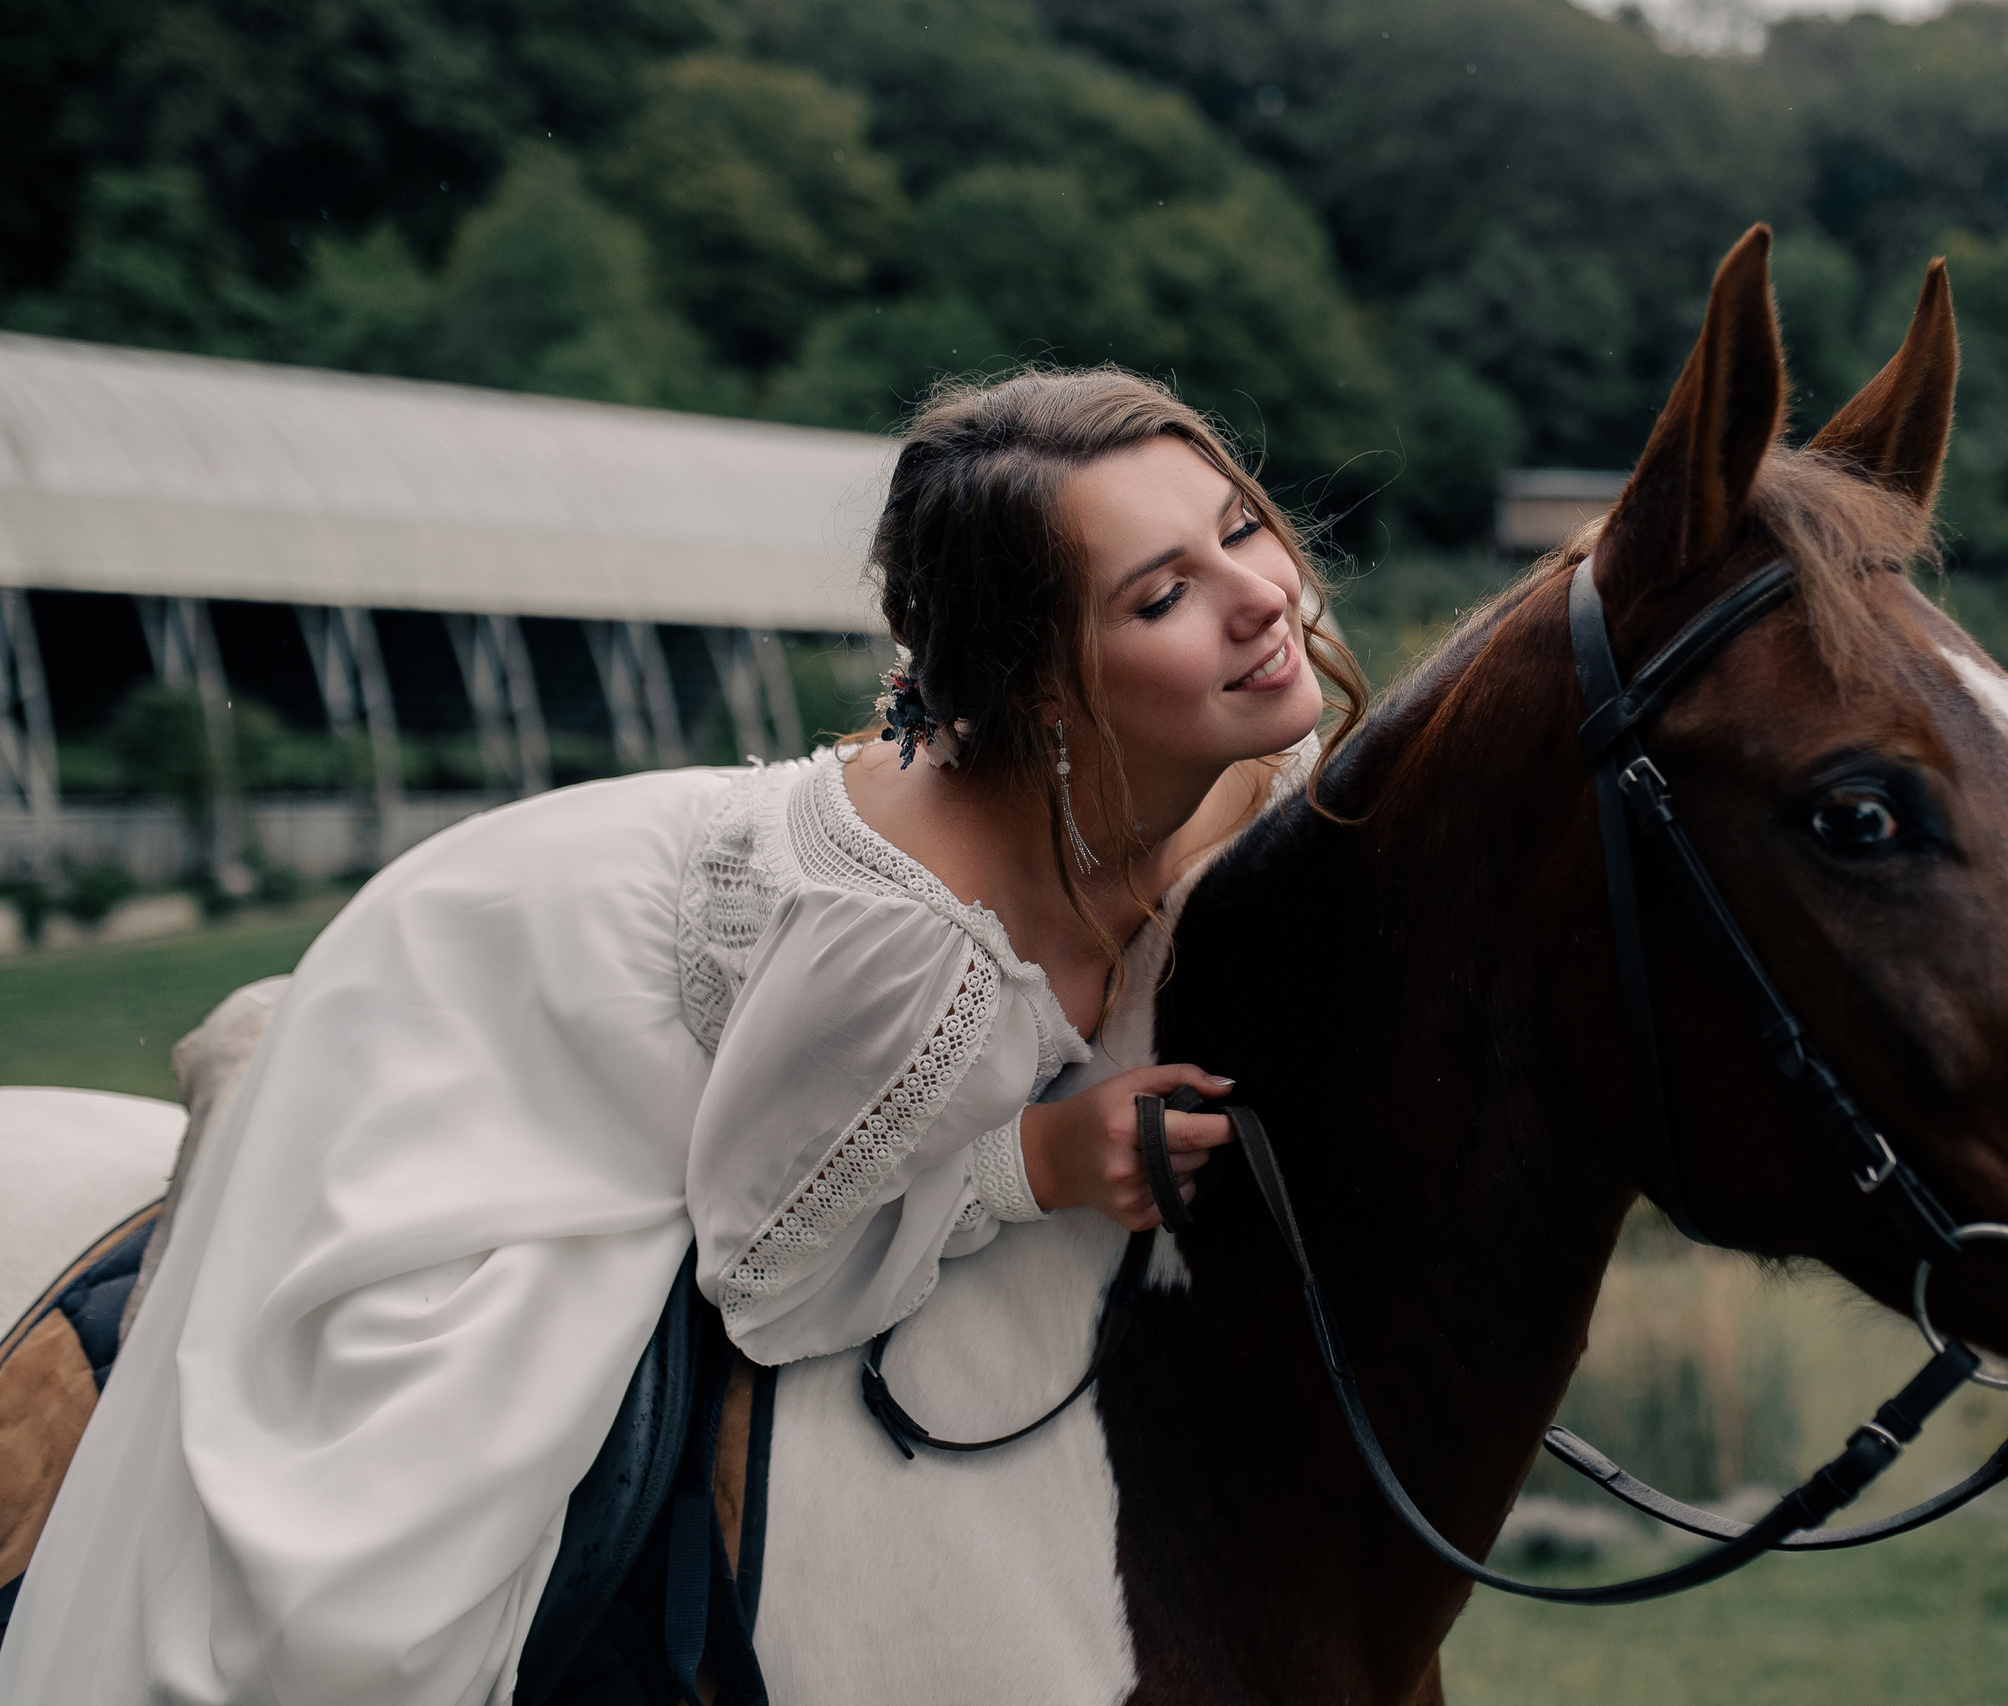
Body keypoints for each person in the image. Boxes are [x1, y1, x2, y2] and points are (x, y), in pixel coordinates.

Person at [0, 368, 1365, 1704]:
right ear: (1047, 691)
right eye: (1161, 594)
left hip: (659, 890)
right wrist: (1035, 1160)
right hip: (504, 1015)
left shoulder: (1251, 750)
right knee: (367, 1605)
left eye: (1238, 525)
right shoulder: (912, 960)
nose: (1261, 598)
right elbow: (768, 1271)